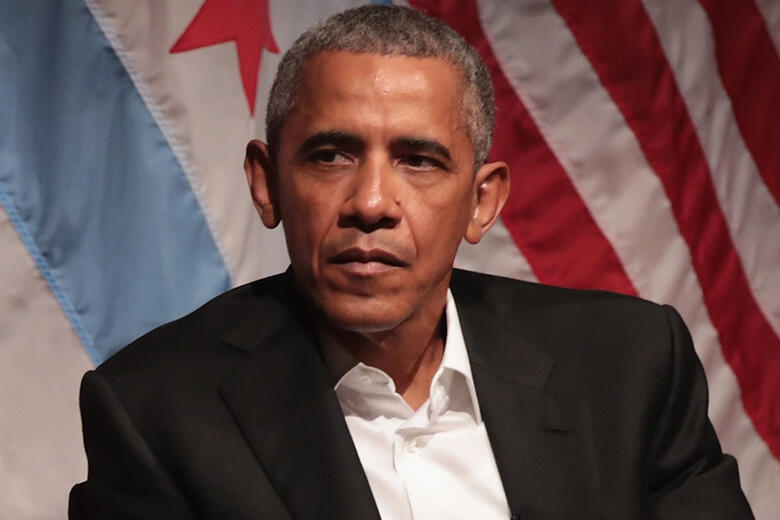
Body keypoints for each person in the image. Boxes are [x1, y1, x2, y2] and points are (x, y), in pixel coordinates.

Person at [69, 5, 753, 519]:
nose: (371, 202)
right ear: (267, 183)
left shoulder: (629, 366)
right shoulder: (154, 413)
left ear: (482, 202)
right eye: (331, 155)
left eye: (418, 161)